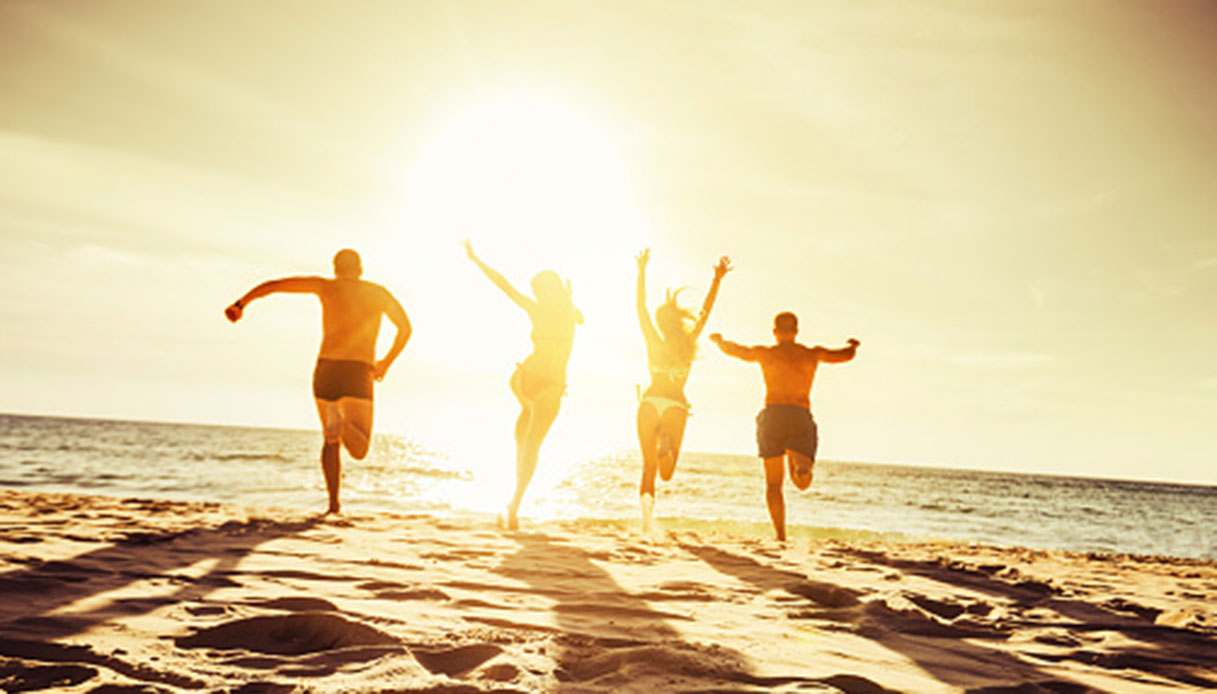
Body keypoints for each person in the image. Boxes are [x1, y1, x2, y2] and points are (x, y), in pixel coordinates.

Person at [224, 249, 411, 515]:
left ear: (335, 268)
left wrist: (240, 304)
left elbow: (275, 286)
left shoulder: (325, 287)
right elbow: (405, 328)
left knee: (330, 439)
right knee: (358, 449)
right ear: (360, 268)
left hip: (325, 369)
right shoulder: (378, 294)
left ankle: (333, 505)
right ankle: (340, 423)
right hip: (357, 369)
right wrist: (385, 363)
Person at [464, 240, 583, 530]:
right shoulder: (550, 310)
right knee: (527, 447)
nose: (538, 296)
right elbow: (504, 285)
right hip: (535, 382)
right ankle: (512, 505)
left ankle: (511, 504)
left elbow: (579, 317)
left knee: (526, 446)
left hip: (537, 383)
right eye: (537, 292)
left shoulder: (553, 311)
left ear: (551, 290)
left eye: (541, 291)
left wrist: (567, 299)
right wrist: (477, 261)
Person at [710, 312, 859, 541]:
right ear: (796, 332)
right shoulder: (811, 354)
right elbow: (844, 356)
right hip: (799, 415)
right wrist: (852, 346)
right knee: (802, 484)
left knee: (773, 484)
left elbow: (739, 351)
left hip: (773, 415)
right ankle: (801, 466)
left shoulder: (766, 354)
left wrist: (720, 341)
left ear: (775, 332)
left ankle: (780, 535)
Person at [634, 249, 731, 531]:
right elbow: (704, 313)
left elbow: (640, 308)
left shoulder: (653, 340)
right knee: (667, 473)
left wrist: (641, 272)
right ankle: (666, 444)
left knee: (649, 468)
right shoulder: (688, 342)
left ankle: (646, 523)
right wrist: (717, 280)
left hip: (650, 401)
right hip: (675, 404)